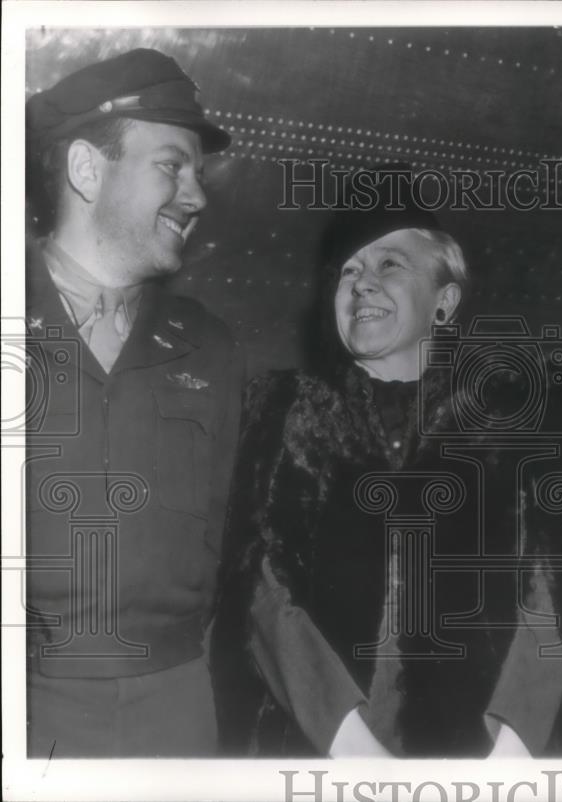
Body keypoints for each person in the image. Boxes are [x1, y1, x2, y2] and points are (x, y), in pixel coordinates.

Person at [211, 171, 562, 757]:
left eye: (390, 266)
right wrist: (354, 753)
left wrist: (512, 753)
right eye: (349, 271)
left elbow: (557, 576)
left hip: (486, 757)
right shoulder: (283, 407)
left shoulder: (517, 405)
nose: (362, 285)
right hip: (321, 752)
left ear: (445, 300)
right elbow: (259, 583)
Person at [24, 48, 242, 757]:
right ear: (88, 170)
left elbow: (222, 539)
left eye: (198, 175)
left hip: (178, 707)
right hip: (30, 703)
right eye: (172, 166)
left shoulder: (209, 346)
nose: (197, 196)